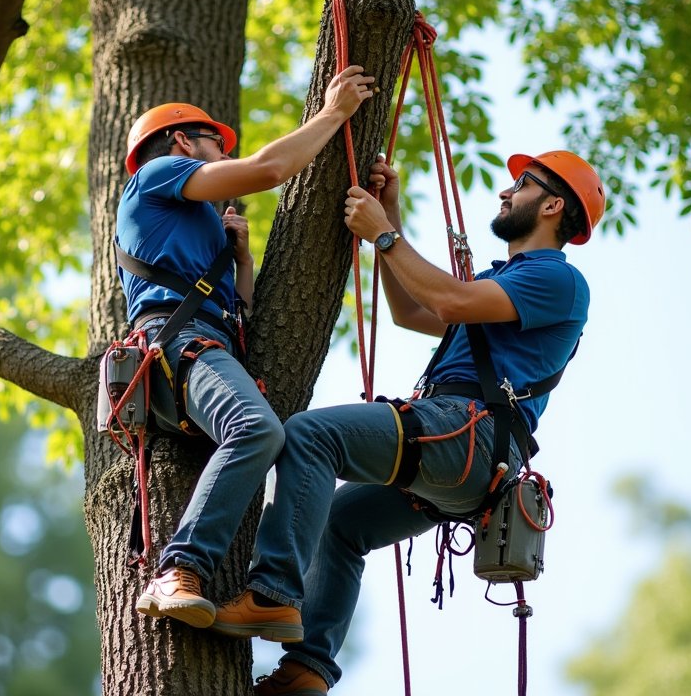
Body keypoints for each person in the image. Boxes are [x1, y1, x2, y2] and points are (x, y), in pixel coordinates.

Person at [207, 149, 607, 694]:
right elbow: (410, 311)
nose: (505, 192)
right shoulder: (505, 280)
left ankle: (273, 593)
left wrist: (385, 236)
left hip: (467, 434)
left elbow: (447, 300)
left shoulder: (558, 280)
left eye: (522, 184)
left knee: (310, 434)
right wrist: (387, 221)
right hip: (463, 461)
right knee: (339, 524)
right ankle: (308, 670)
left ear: (553, 205)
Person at [121, 65, 376, 628]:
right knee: (258, 429)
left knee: (285, 444)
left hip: (205, 345)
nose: (219, 149)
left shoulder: (196, 224)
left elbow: (243, 317)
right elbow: (268, 169)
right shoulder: (159, 172)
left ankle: (273, 592)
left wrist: (241, 262)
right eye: (214, 140)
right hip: (178, 344)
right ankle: (177, 568)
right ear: (183, 142)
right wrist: (334, 112)